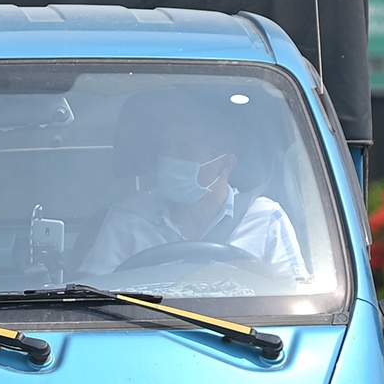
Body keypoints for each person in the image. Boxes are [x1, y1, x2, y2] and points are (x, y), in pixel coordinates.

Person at [79, 112, 306, 279]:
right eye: (165, 148)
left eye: (184, 151)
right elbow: (90, 297)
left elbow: (297, 298)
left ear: (225, 164)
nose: (168, 159)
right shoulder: (128, 219)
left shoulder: (266, 220)